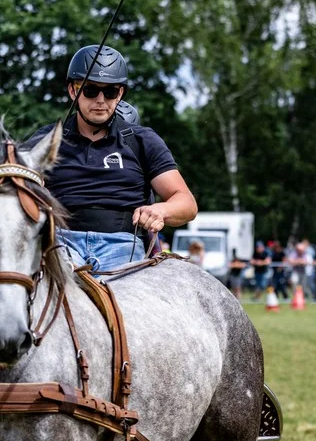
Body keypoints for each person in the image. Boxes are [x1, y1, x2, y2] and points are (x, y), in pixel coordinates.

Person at [28, 45, 197, 273]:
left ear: (120, 94)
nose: (100, 100)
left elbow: (186, 203)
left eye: (110, 92)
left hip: (124, 246)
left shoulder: (142, 140)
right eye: (89, 90)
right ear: (72, 91)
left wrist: (160, 211)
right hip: (60, 243)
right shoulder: (45, 141)